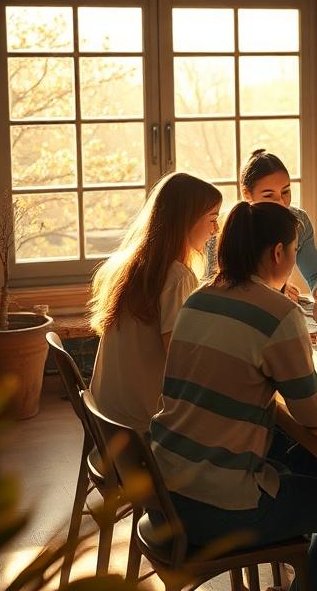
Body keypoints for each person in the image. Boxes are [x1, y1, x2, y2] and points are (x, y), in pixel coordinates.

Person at [150, 202, 317, 591]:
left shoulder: (197, 300)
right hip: (219, 508)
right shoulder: (278, 313)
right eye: (293, 248)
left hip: (165, 492)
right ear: (279, 254)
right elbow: (311, 411)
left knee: (308, 464)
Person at [88, 172, 221, 433]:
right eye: (212, 219)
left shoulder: (129, 267)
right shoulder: (177, 277)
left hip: (108, 417)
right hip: (142, 425)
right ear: (187, 221)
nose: (216, 230)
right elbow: (180, 359)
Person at [240, 148, 317, 304]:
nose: (281, 202)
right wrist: (276, 288)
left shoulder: (299, 222)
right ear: (247, 194)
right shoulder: (231, 225)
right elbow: (218, 288)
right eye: (269, 195)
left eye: (286, 192)